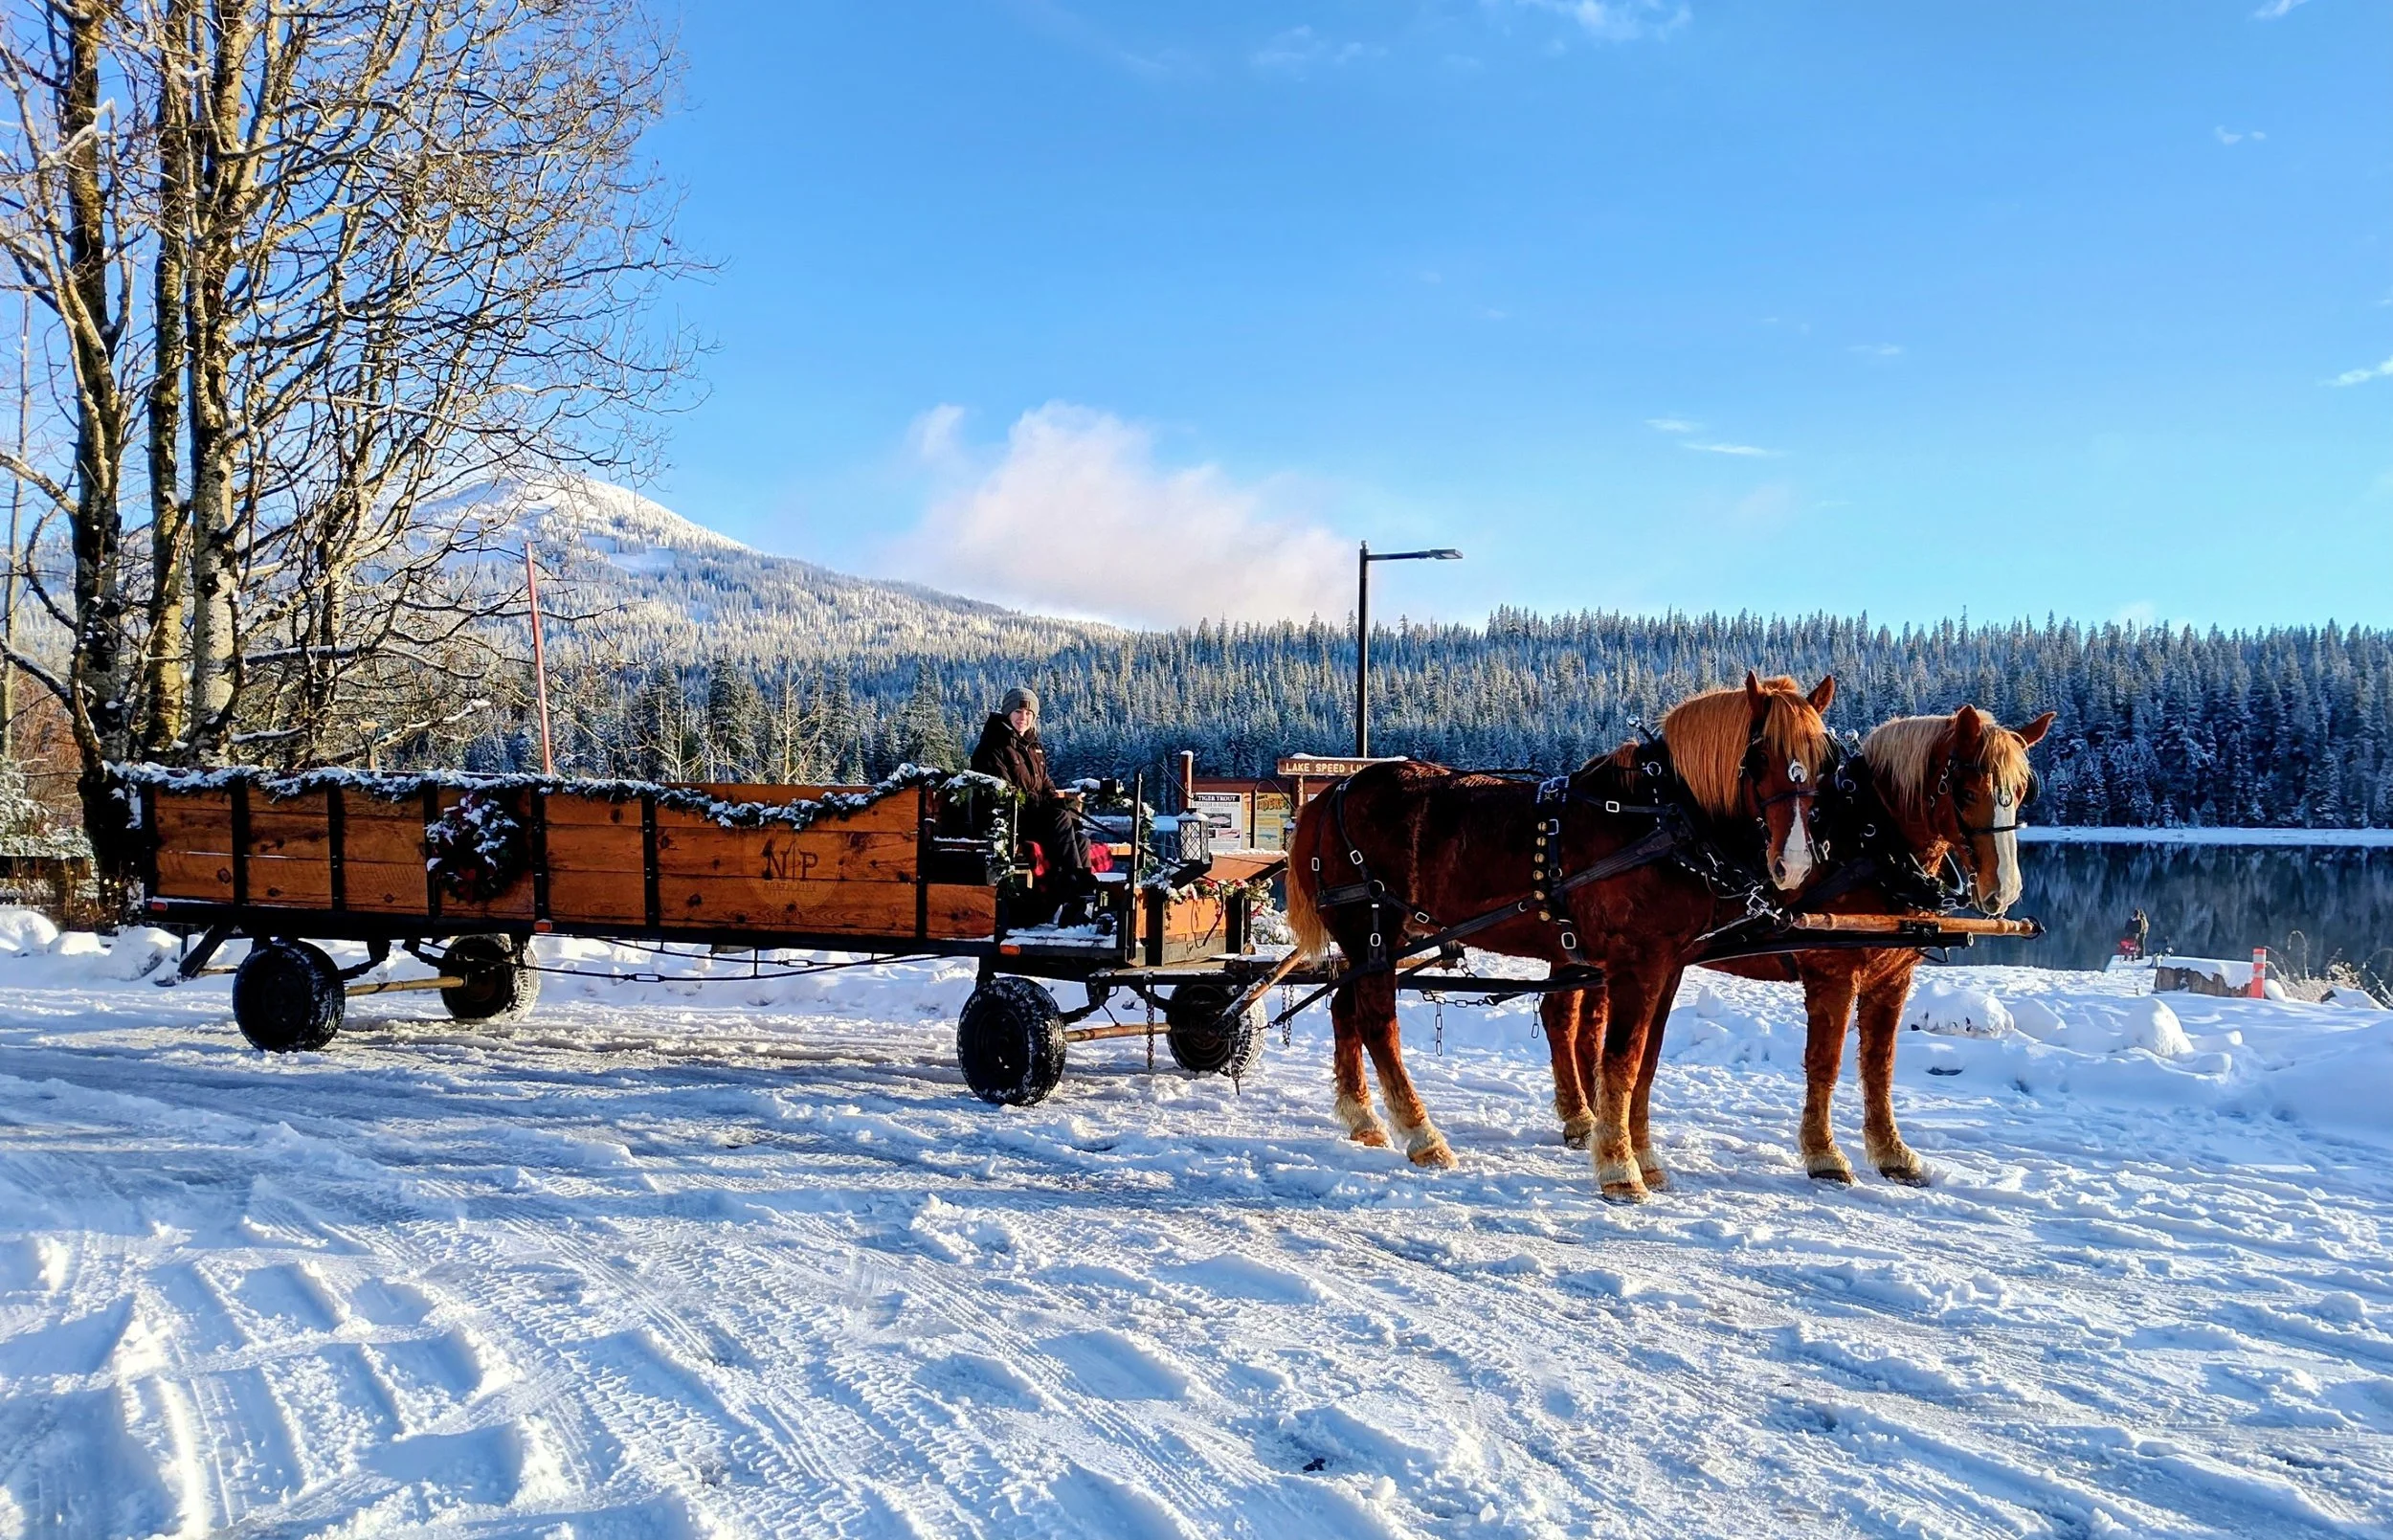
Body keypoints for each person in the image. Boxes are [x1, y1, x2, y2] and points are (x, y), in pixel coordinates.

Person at [972, 686, 1094, 918]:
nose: (1023, 718)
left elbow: (1045, 783)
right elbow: (1004, 790)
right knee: (1058, 818)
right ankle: (1074, 886)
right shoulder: (993, 746)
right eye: (1018, 711)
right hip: (1007, 818)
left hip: (1032, 815)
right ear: (1007, 713)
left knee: (1080, 839)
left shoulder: (1032, 746)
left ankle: (1077, 900)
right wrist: (1047, 807)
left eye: (1029, 714)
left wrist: (1054, 802)